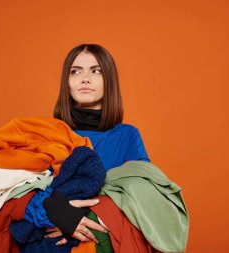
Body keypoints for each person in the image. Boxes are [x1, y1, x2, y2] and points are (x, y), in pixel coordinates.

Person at [45, 43, 151, 246]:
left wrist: (83, 217)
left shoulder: (128, 135)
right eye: (75, 71)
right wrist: (59, 213)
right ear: (66, 82)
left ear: (109, 81)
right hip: (53, 242)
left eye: (96, 71)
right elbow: (23, 193)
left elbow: (141, 196)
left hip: (108, 243)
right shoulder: (47, 133)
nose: (85, 78)